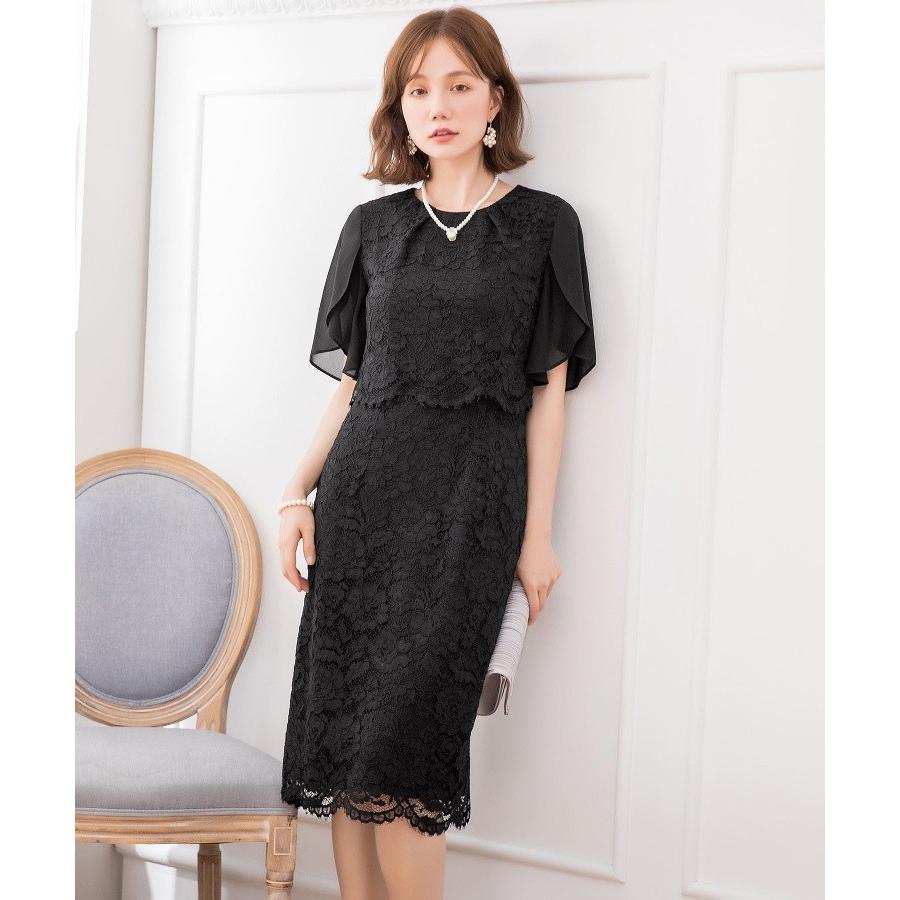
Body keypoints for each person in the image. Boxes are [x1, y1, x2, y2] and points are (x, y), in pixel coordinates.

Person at [277, 7, 597, 899]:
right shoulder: (373, 228)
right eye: (418, 90)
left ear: (495, 100)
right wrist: (296, 492)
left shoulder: (544, 225)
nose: (439, 107)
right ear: (400, 110)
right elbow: (354, 383)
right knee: (347, 747)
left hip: (468, 512)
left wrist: (537, 536)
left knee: (405, 759)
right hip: (361, 504)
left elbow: (549, 396)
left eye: (459, 85)